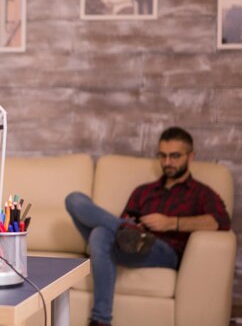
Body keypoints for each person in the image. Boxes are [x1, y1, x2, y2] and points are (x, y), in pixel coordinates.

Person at [65, 127, 230, 326]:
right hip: (127, 244)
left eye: (174, 156)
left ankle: (100, 319)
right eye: (163, 156)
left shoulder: (200, 193)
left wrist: (171, 223)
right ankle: (128, 231)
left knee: (100, 234)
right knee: (75, 201)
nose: (167, 162)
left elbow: (221, 221)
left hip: (164, 250)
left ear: (191, 156)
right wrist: (129, 226)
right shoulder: (144, 191)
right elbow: (124, 221)